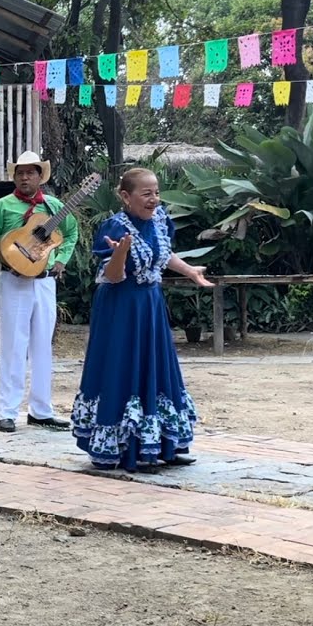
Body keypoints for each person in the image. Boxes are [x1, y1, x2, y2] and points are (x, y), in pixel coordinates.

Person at [71, 167, 213, 473]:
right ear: (126, 196)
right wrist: (120, 253)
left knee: (158, 370)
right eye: (146, 193)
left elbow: (162, 255)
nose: (154, 199)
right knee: (122, 369)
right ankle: (120, 446)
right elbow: (113, 276)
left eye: (157, 192)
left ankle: (164, 444)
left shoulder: (160, 219)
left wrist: (189, 270)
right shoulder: (114, 226)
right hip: (121, 309)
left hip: (150, 305)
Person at [0, 151, 78, 433]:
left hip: (44, 281)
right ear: (14, 177)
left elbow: (71, 233)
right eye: (20, 173)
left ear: (39, 176)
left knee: (43, 346)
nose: (24, 177)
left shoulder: (54, 206)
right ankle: (7, 411)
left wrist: (61, 260)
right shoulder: (2, 206)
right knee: (13, 346)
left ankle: (41, 411)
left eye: (30, 172)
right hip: (13, 280)